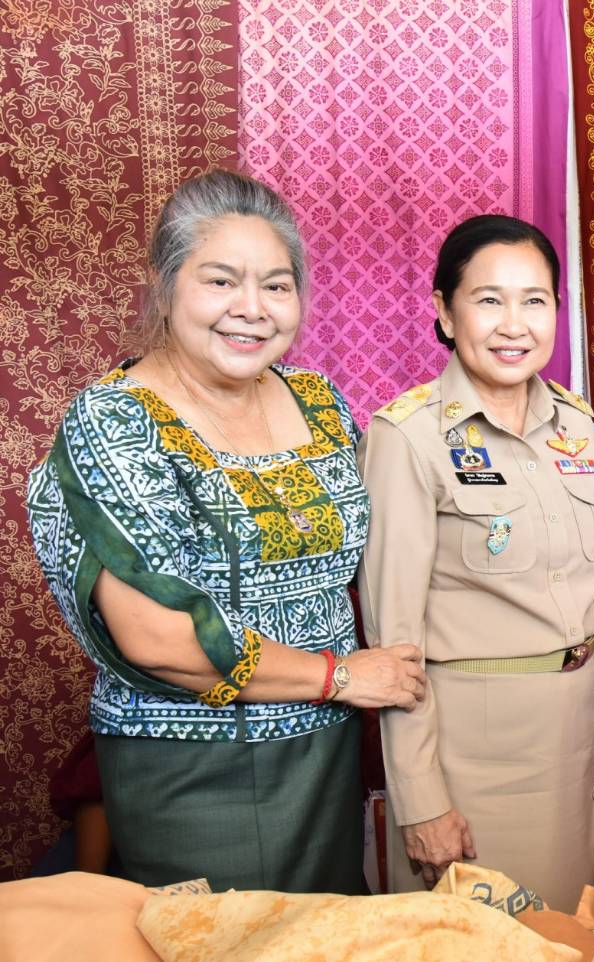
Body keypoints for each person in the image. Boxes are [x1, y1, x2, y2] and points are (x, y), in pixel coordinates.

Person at [26, 169, 426, 893]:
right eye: (220, 281)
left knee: (328, 949)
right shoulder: (117, 420)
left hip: (324, 751)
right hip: (194, 765)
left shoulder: (320, 401)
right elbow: (155, 638)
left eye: (276, 285)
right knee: (224, 957)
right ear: (165, 285)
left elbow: (388, 542)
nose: (252, 309)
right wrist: (338, 677)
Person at [357, 215, 594, 910]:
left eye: (534, 300)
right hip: (472, 752)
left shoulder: (575, 424)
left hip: (576, 738)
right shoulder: (408, 436)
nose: (514, 324)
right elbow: (394, 639)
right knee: (473, 954)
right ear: (445, 312)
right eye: (489, 300)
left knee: (565, 946)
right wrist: (420, 798)